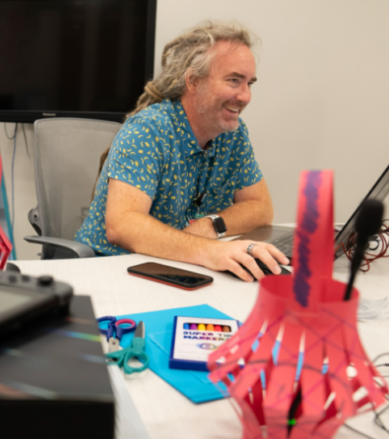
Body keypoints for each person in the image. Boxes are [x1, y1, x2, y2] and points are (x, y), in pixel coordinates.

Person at [75, 21, 288, 282]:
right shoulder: (149, 130)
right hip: (112, 270)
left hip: (177, 266)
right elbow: (122, 226)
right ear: (193, 82)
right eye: (234, 81)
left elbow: (261, 207)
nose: (245, 96)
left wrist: (211, 226)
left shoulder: (234, 133)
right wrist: (210, 251)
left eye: (249, 83)